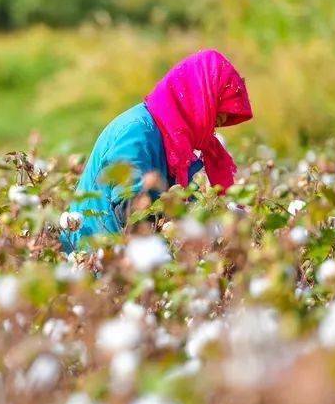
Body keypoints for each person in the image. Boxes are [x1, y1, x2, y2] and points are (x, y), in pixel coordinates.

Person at [61, 49, 252, 252]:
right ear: (199, 102)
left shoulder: (173, 142)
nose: (213, 128)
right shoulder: (137, 131)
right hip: (93, 263)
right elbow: (130, 211)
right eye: (214, 116)